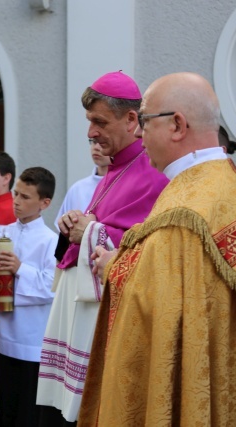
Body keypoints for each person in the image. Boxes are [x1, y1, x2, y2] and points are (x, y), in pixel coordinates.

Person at [78, 72, 236, 426]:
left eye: (145, 121)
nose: (137, 132)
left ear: (178, 125)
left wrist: (112, 269)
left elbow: (157, 305)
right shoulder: (224, 183)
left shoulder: (184, 212)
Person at [36, 71, 169, 426]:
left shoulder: (155, 171)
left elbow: (154, 246)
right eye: (89, 121)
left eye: (99, 122)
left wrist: (91, 230)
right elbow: (104, 225)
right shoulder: (114, 168)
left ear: (131, 120)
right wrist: (73, 227)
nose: (91, 133)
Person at [0, 167, 58, 427]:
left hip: (30, 338)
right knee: (1, 406)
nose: (16, 201)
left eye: (25, 197)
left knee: (25, 410)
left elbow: (52, 287)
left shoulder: (51, 240)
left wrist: (19, 269)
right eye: (16, 194)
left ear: (45, 203)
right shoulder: (2, 232)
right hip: (0, 333)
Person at [54, 140, 111, 231]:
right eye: (93, 141)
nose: (95, 147)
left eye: (101, 142)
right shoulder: (77, 189)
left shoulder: (124, 185)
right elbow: (63, 229)